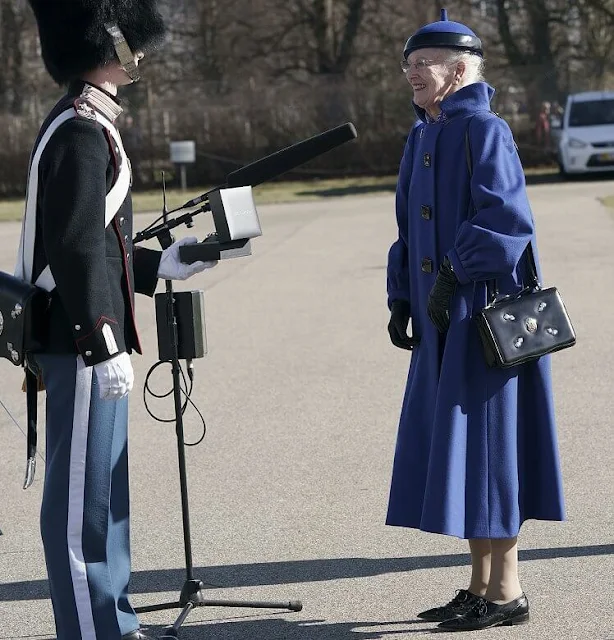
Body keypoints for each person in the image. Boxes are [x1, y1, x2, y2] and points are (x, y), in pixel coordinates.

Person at [17, 2, 215, 639]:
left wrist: (167, 263)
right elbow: (74, 247)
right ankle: (92, 630)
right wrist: (103, 341)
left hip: (84, 334)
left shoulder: (88, 121)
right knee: (82, 505)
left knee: (102, 496)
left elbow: (104, 244)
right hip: (82, 339)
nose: (140, 51)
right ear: (108, 44)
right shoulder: (80, 129)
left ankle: (113, 621)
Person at [386, 9, 565, 632]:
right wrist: (401, 297)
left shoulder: (484, 131)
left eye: (422, 64)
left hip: (482, 316)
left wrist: (454, 276)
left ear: (458, 70)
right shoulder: (421, 136)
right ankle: (479, 585)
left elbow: (507, 224)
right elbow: (407, 229)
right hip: (441, 318)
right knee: (463, 452)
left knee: (490, 451)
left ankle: (507, 590)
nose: (411, 74)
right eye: (408, 65)